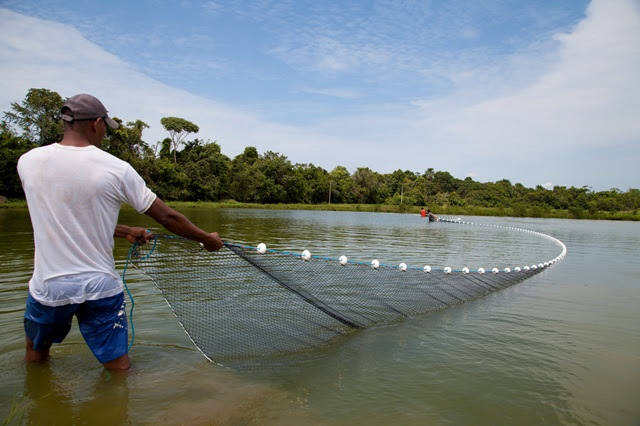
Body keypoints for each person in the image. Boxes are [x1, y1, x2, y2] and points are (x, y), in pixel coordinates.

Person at [17, 93, 223, 370]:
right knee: (118, 365)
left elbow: (65, 221)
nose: (105, 133)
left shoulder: (28, 162)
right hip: (101, 287)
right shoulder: (116, 169)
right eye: (105, 127)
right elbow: (167, 216)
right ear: (96, 123)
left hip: (51, 286)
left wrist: (123, 230)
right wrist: (206, 239)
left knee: (37, 351)